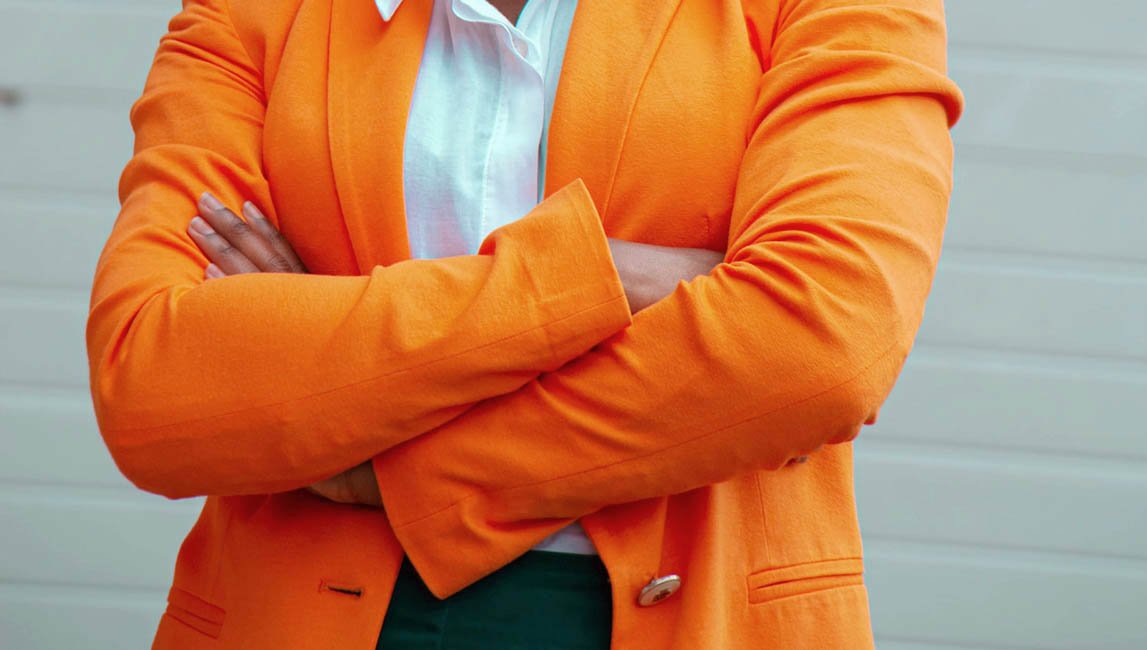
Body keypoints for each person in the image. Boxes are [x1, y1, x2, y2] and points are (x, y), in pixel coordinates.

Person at [86, 0, 963, 647]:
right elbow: (153, 386)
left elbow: (821, 344)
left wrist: (395, 470)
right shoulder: (253, 15)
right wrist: (596, 275)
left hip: (707, 615)